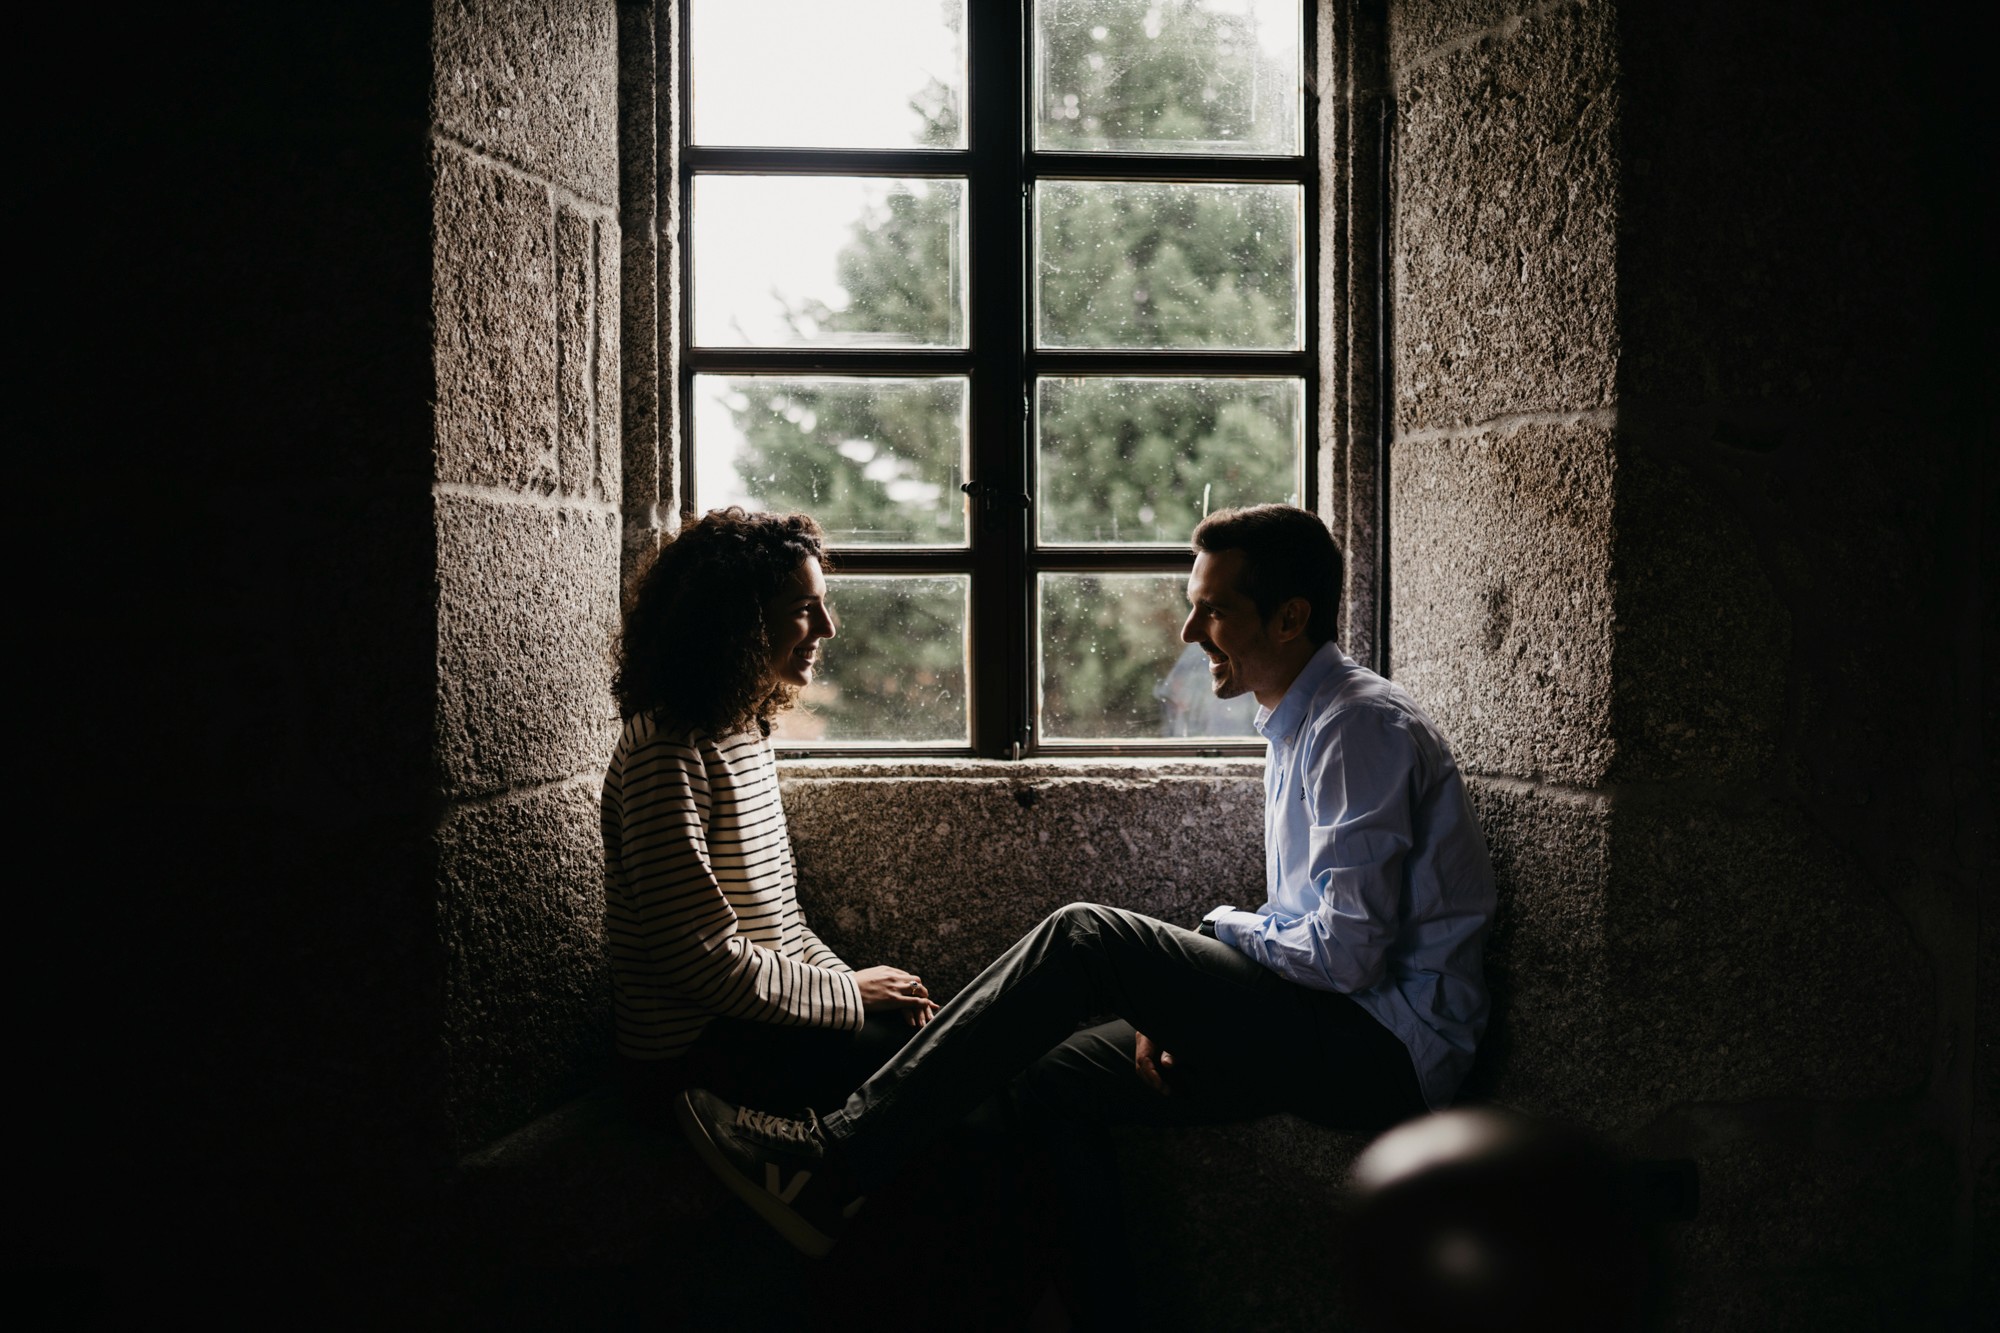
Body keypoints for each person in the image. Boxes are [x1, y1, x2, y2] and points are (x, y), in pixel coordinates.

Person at [673, 504, 1497, 1269]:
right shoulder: (1301, 722)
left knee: (1087, 937)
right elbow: (1317, 926)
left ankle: (832, 1163)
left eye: (1213, 611)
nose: (1188, 631)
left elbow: (1348, 954)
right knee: (1048, 1080)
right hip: (1324, 1015)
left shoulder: (1357, 725)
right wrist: (1183, 1000)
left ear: (1290, 618)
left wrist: (1214, 935)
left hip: (1379, 1049)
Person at [603, 507, 937, 1123]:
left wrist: (860, 989)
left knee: (940, 1047)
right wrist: (852, 993)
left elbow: (782, 925)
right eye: (805, 609)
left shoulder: (743, 731)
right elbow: (697, 958)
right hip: (692, 1056)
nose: (828, 628)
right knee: (949, 1071)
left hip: (753, 1027)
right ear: (740, 624)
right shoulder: (665, 749)